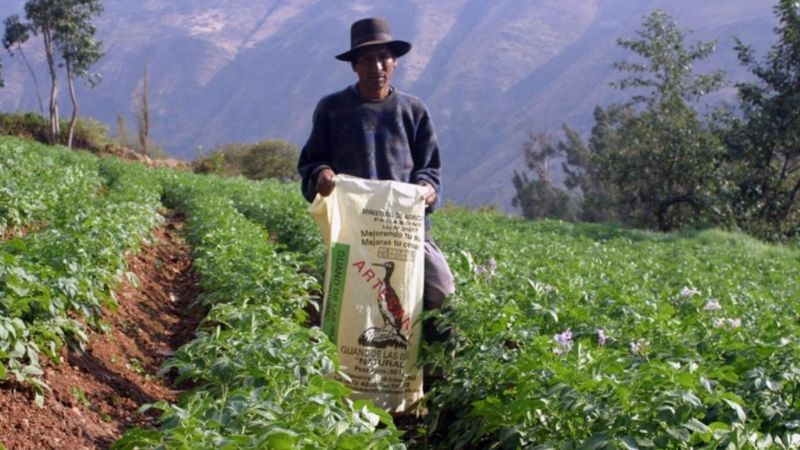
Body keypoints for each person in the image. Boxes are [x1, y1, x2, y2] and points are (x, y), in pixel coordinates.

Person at [297, 17, 455, 345]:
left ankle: (437, 379)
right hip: (353, 233)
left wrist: (427, 190)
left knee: (443, 295)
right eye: (367, 59)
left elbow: (430, 170)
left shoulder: (413, 111)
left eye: (383, 57)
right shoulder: (333, 109)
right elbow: (310, 163)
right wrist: (321, 177)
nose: (377, 66)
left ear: (395, 62)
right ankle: (338, 378)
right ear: (354, 66)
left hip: (405, 233)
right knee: (335, 307)